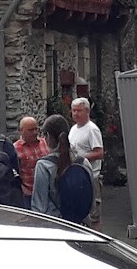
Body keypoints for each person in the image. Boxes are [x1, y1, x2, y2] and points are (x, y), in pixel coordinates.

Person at [31, 114, 92, 218]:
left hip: (56, 224)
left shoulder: (44, 165)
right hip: (80, 225)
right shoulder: (83, 162)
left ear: (48, 136)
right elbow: (90, 199)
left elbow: (39, 207)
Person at [68, 97, 104, 231]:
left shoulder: (92, 129)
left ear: (87, 111)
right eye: (73, 111)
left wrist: (80, 158)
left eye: (79, 111)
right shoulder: (73, 129)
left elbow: (99, 153)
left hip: (91, 177)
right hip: (77, 177)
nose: (76, 114)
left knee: (94, 213)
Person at [14, 116, 49, 208]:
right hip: (28, 194)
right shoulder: (15, 149)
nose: (34, 133)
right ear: (21, 130)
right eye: (30, 130)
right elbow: (12, 172)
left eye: (36, 129)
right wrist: (22, 189)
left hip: (46, 193)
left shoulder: (45, 143)